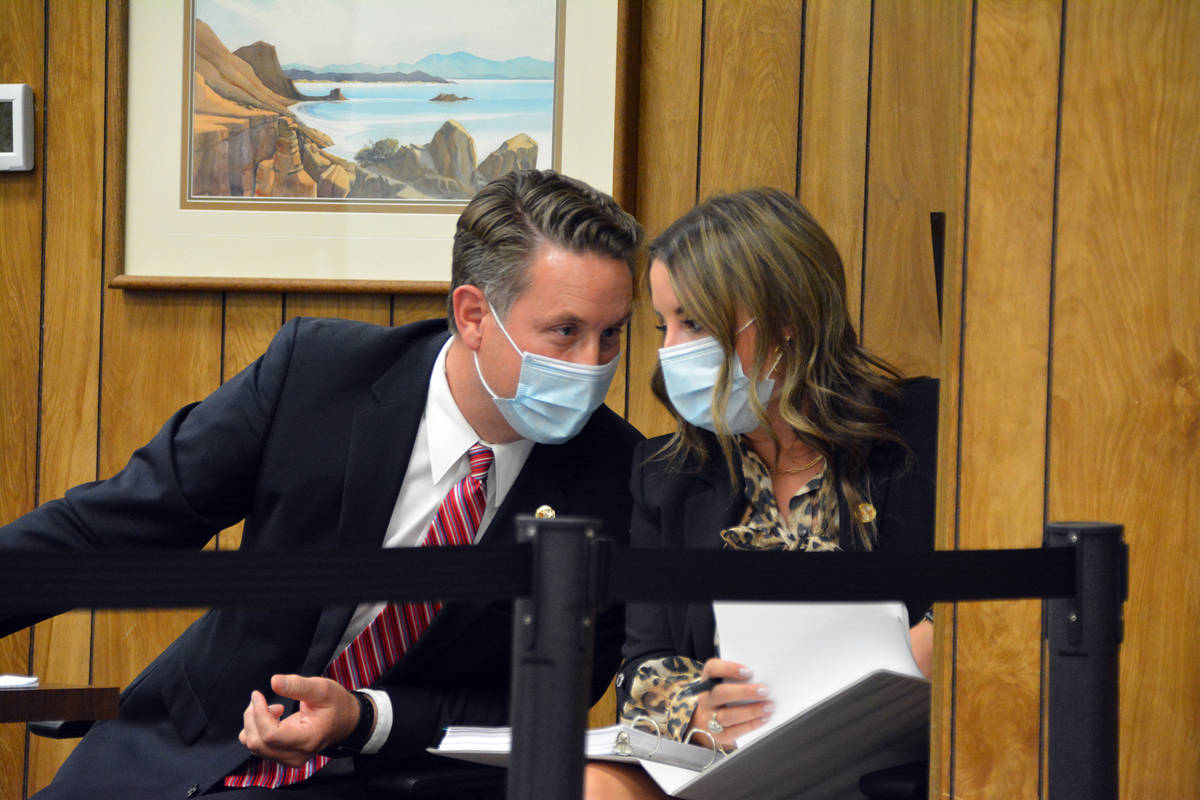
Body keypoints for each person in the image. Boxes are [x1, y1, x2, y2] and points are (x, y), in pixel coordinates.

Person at [0, 169, 645, 799]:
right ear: (473, 315)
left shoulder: (620, 477)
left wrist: (367, 716)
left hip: (387, 777)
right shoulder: (315, 376)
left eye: (611, 334)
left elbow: (543, 705)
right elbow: (121, 521)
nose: (593, 366)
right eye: (566, 332)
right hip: (181, 750)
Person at [585, 188, 937, 799]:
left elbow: (981, 613)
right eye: (663, 325)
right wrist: (702, 710)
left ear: (787, 319)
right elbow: (644, 664)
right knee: (596, 783)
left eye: (693, 322)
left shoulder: (924, 431)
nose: (670, 352)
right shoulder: (665, 472)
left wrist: (884, 676)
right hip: (735, 762)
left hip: (889, 761)